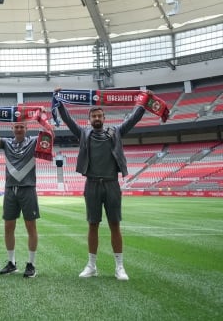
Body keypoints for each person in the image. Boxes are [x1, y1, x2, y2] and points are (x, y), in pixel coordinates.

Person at [55, 89, 152, 281]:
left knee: (115, 225)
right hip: (91, 184)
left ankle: (120, 267)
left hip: (112, 184)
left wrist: (144, 102)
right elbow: (67, 120)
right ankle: (91, 266)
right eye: (94, 116)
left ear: (104, 118)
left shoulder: (115, 131)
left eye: (100, 115)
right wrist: (58, 100)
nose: (97, 118)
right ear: (89, 119)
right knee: (93, 225)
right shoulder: (84, 133)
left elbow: (133, 119)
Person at [0, 121, 40, 278]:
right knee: (8, 226)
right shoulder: (7, 143)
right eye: (16, 127)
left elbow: (50, 135)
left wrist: (43, 120)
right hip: (10, 189)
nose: (19, 129)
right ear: (12, 129)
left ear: (26, 129)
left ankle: (31, 264)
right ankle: (11, 263)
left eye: (22, 127)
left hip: (28, 188)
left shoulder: (33, 142)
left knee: (30, 226)